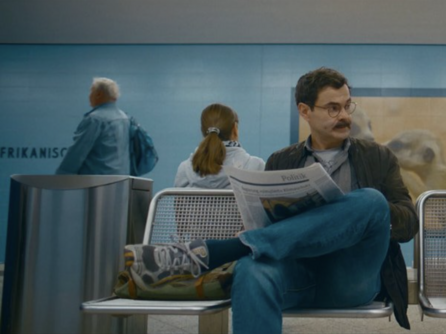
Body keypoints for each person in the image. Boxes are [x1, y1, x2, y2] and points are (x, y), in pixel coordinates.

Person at [123, 67, 418, 333]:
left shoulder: (377, 157)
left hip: (351, 276)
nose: (345, 116)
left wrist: (352, 216)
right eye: (332, 108)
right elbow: (264, 218)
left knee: (371, 201)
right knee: (252, 269)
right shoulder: (281, 160)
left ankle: (223, 250)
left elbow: (409, 223)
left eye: (346, 106)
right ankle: (240, 248)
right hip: (295, 271)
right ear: (305, 111)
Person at [174, 103, 265, 188]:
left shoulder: (184, 169)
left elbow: (178, 204)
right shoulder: (256, 166)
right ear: (235, 129)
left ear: (202, 130)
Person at [56, 77, 130, 175]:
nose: (89, 95)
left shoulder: (95, 119)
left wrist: (61, 177)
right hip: (120, 180)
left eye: (91, 91)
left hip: (96, 182)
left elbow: (78, 152)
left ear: (98, 94)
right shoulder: (124, 118)